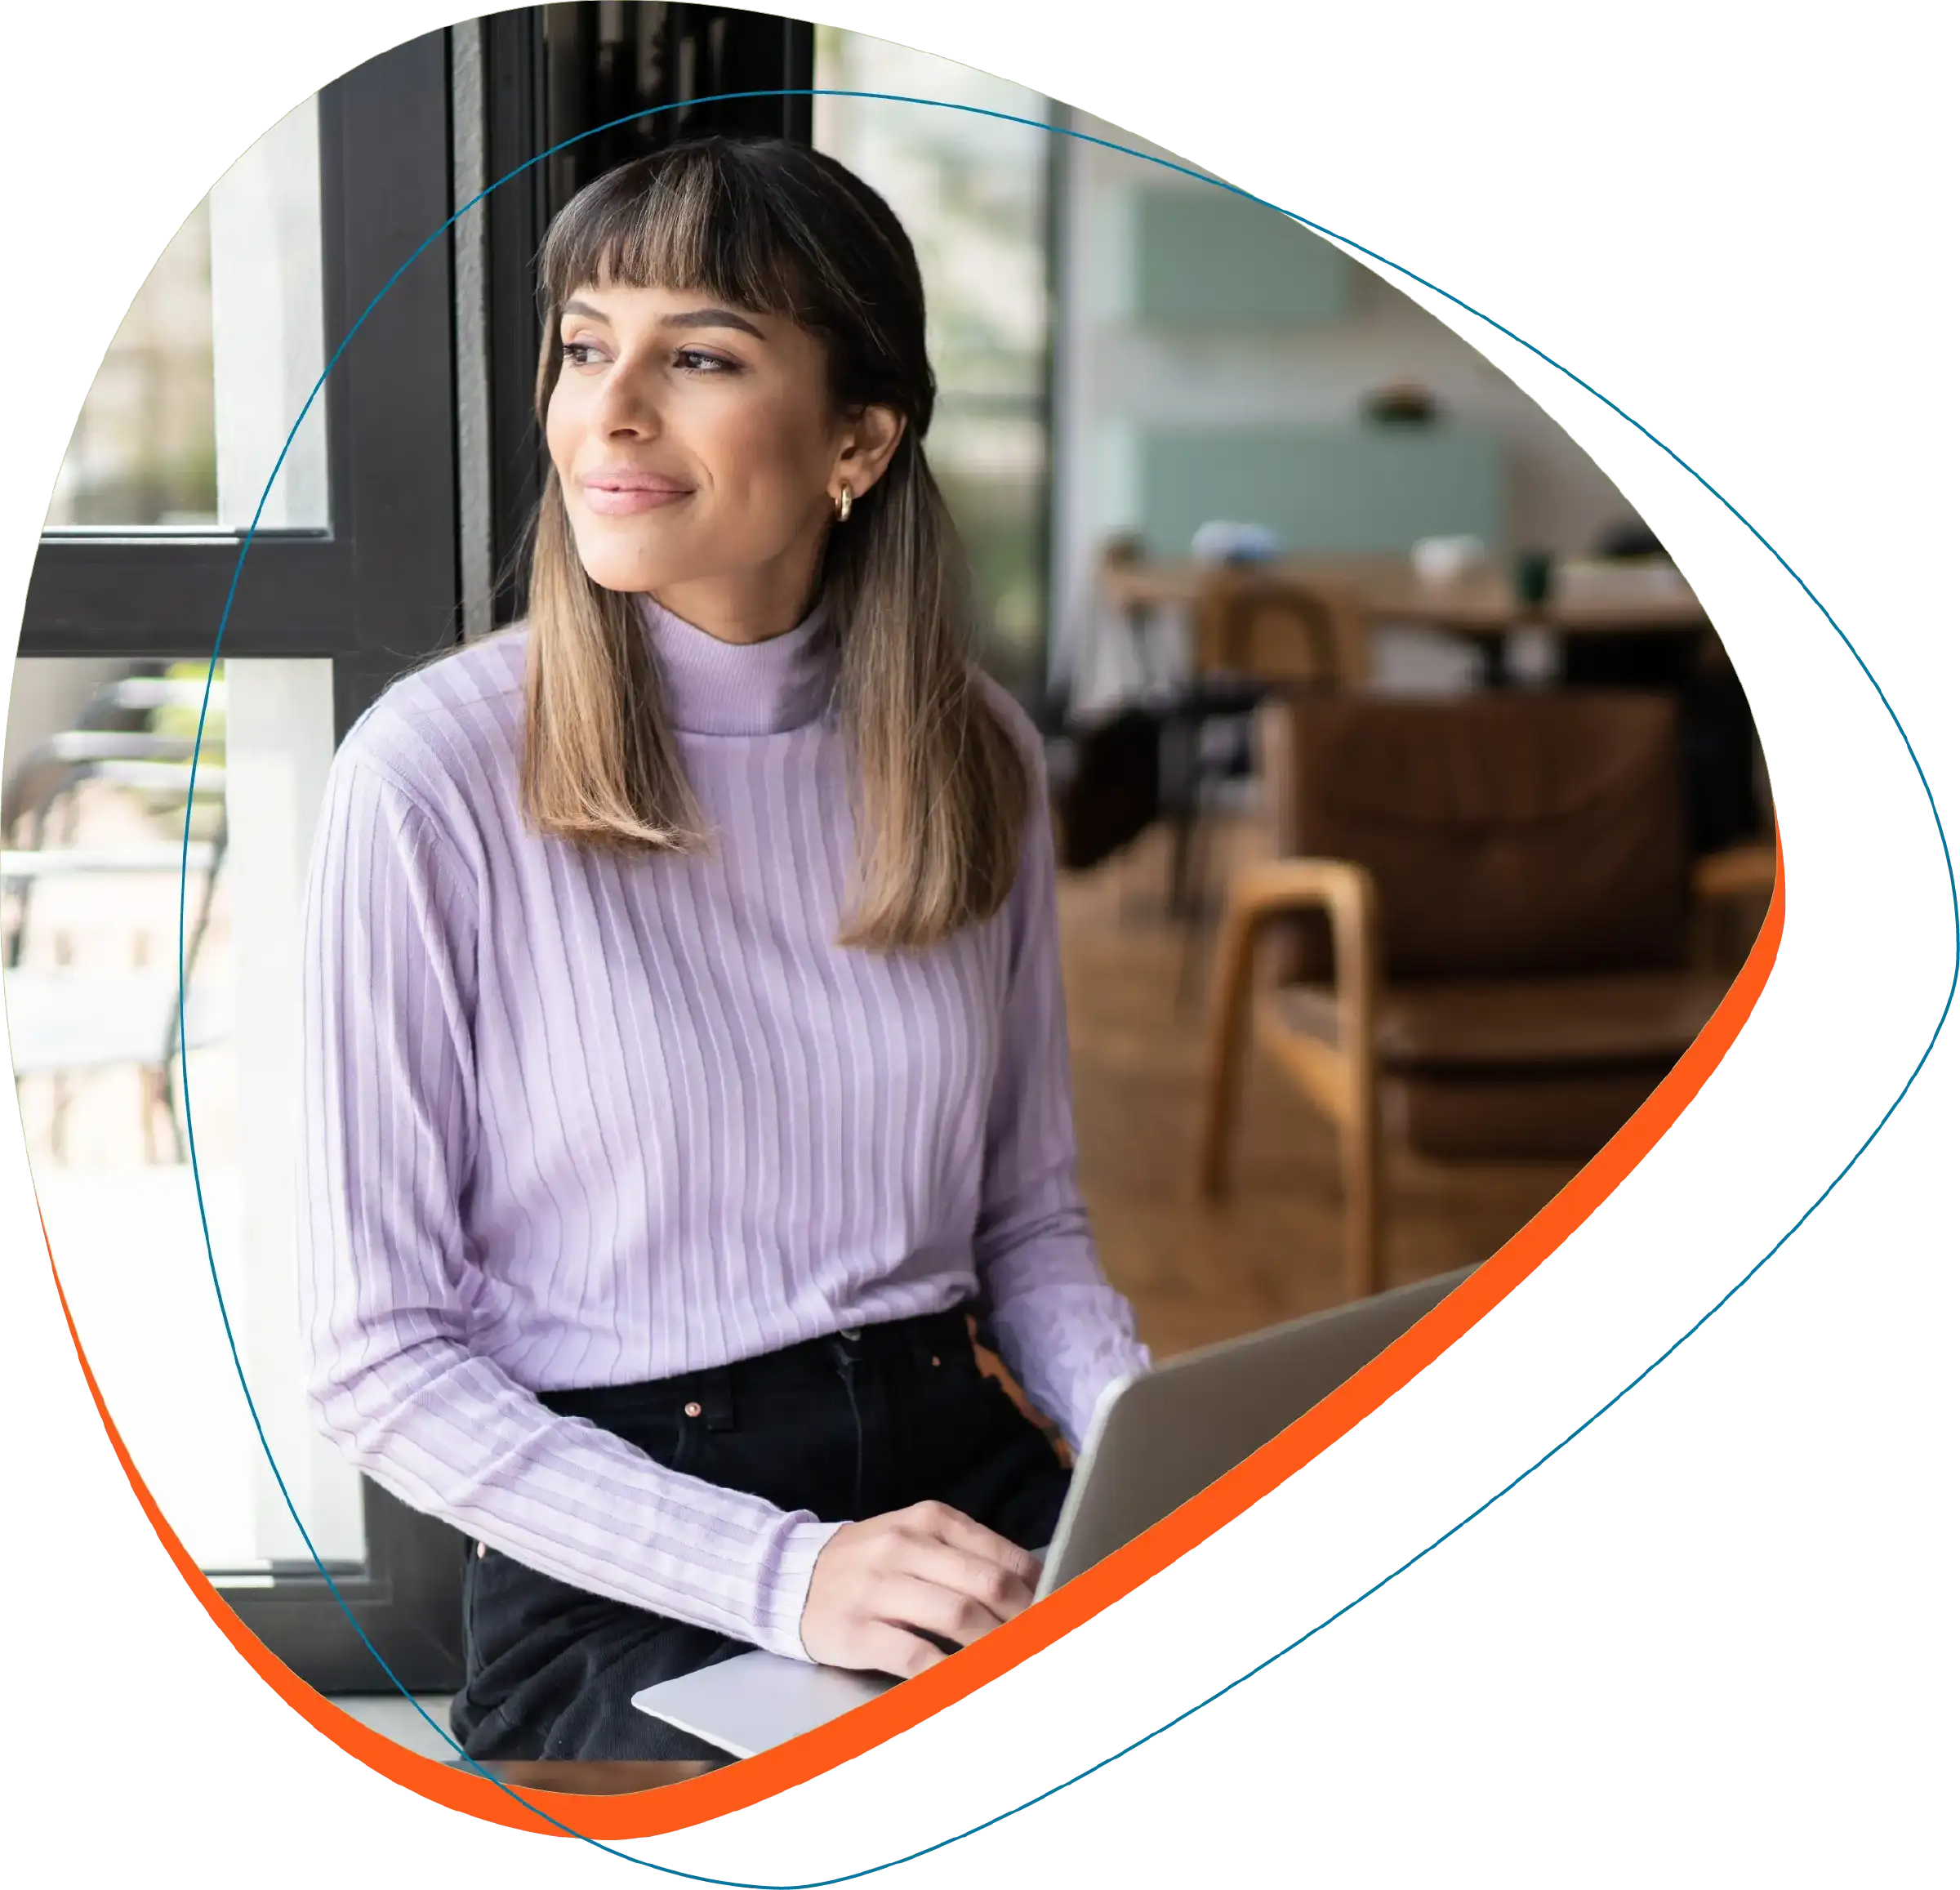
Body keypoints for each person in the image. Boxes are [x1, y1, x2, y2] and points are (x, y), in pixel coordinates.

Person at [296, 134, 1151, 1763]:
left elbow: (1026, 1223)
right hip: (630, 1541)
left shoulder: (979, 747)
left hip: (958, 1469)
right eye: (584, 346)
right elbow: (376, 1356)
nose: (608, 413)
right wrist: (787, 1571)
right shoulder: (434, 771)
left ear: (859, 438)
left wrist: (1150, 1461)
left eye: (697, 356)